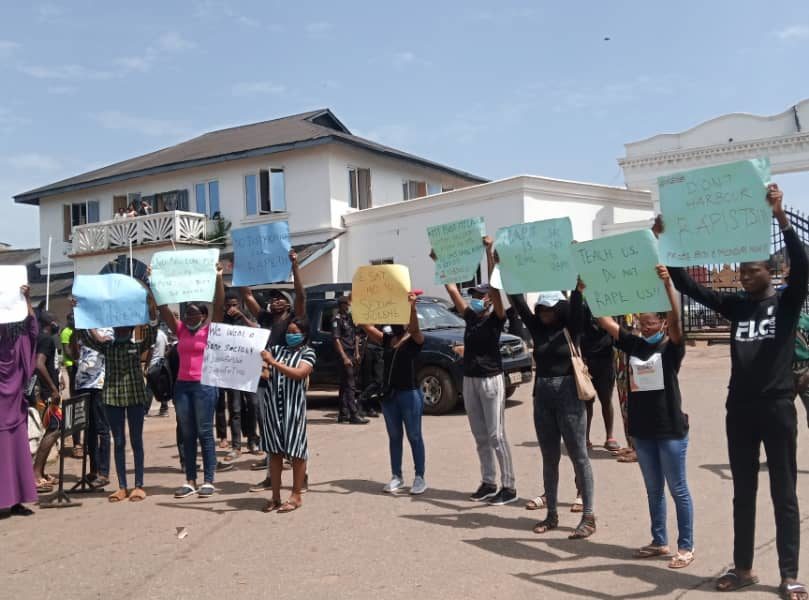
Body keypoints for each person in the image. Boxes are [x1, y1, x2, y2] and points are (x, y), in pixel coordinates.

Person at [662, 183, 808, 598]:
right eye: (741, 271)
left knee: (784, 494)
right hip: (739, 409)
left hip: (777, 407)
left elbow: (802, 264)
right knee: (743, 492)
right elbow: (687, 285)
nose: (744, 276)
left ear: (770, 272)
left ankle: (789, 575)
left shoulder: (787, 302)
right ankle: (743, 568)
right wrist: (668, 240)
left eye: (752, 271)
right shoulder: (737, 305)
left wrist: (780, 216)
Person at [593, 265, 694, 569]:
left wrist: (667, 286)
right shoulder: (634, 344)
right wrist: (590, 288)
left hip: (670, 429)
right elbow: (604, 321)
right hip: (643, 431)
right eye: (642, 323)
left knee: (678, 489)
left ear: (661, 323)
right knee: (653, 490)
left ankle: (686, 547)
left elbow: (676, 321)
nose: (645, 328)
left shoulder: (671, 347)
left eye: (651, 323)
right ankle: (659, 541)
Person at [431, 235, 516, 505]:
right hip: (470, 380)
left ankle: (509, 486)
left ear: (490, 299)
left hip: (491, 380)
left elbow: (496, 288)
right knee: (480, 436)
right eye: (476, 295)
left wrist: (489, 252)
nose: (477, 298)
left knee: (496, 435)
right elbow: (452, 290)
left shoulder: (497, 319)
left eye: (482, 295)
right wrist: (440, 262)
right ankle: (488, 481)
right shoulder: (471, 318)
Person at [506, 285, 596, 540]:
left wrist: (577, 288)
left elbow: (577, 306)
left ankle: (588, 516)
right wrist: (505, 273)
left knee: (579, 456)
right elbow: (518, 302)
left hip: (569, 395)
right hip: (543, 397)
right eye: (542, 308)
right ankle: (552, 514)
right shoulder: (536, 327)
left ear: (560, 309)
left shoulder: (571, 327)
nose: (545, 313)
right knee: (549, 457)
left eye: (550, 309)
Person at [77, 300, 157, 502]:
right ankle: (122, 487)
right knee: (119, 441)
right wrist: (79, 309)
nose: (122, 331)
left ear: (130, 330)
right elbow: (85, 337)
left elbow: (153, 332)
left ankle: (138, 485)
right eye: (118, 328)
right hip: (112, 399)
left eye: (125, 328)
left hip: (135, 398)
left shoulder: (137, 347)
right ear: (114, 329)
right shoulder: (107, 347)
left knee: (136, 441)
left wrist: (151, 308)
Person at [157, 264, 225, 499]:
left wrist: (218, 278)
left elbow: (220, 305)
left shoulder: (211, 331)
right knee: (187, 433)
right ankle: (190, 479)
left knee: (205, 432)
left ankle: (208, 479)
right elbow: (163, 308)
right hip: (182, 387)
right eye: (187, 314)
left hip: (204, 386)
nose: (190, 317)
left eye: (194, 314)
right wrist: (155, 283)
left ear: (204, 316)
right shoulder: (181, 331)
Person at [241, 249, 305, 484]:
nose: (276, 301)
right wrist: (242, 268)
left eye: (280, 298)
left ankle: (301, 475)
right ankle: (271, 475)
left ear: (288, 302)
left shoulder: (294, 318)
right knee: (268, 426)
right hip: (266, 377)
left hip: (289, 378)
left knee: (291, 427)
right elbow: (247, 295)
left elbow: (300, 294)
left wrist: (295, 266)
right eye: (273, 298)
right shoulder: (265, 319)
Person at [361, 293, 427, 495]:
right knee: (394, 436)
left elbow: (415, 329)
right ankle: (396, 476)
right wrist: (359, 305)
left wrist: (412, 308)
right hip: (390, 395)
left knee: (414, 435)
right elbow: (366, 326)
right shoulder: (387, 339)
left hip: (410, 394)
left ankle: (420, 477)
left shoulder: (415, 339)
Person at [259, 318, 316, 513]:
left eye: (295, 332)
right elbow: (266, 373)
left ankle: (296, 495)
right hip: (273, 408)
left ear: (304, 334)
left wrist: (273, 363)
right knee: (274, 452)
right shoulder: (276, 350)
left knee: (297, 452)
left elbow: (300, 373)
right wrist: (259, 368)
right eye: (288, 332)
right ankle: (275, 496)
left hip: (294, 409)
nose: (290, 335)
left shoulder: (308, 353)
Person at [0, 285, 39, 519]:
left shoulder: (18, 341)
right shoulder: (19, 341)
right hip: (9, 410)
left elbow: (32, 329)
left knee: (16, 456)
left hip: (14, 408)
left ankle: (16, 502)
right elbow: (32, 329)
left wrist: (26, 299)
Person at [218, 292, 261, 466]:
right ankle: (236, 446)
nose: (231, 308)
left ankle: (252, 440)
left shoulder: (247, 317)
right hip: (232, 371)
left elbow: (258, 332)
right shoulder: (222, 322)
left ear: (240, 305)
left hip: (249, 370)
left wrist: (242, 316)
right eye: (228, 305)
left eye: (234, 305)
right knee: (235, 408)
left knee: (253, 405)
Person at [578, 297, 619, 452]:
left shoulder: (609, 305)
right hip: (586, 362)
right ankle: (585, 437)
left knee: (606, 399)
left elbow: (616, 332)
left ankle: (610, 437)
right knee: (587, 401)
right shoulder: (582, 306)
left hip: (606, 361)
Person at [74, 327, 113, 489]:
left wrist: (90, 327)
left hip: (99, 384)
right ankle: (94, 470)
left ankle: (104, 473)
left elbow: (101, 342)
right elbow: (75, 353)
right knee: (89, 430)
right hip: (82, 384)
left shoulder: (108, 330)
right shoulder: (83, 330)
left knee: (102, 429)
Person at [31, 311, 62, 492]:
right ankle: (36, 474)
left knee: (53, 428)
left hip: (46, 391)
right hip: (46, 393)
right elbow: (39, 364)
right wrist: (53, 388)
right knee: (54, 428)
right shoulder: (46, 339)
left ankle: (40, 472)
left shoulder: (41, 338)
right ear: (51, 323)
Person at [332, 294, 369, 424]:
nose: (348, 306)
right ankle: (354, 414)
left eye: (348, 304)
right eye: (346, 304)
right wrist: (344, 357)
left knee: (344, 385)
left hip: (352, 353)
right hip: (344, 354)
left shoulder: (349, 318)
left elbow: (355, 335)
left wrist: (357, 352)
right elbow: (336, 339)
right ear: (341, 305)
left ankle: (343, 414)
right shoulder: (337, 319)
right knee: (350, 384)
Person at [60, 313, 82, 458]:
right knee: (76, 403)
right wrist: (76, 361)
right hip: (72, 367)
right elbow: (67, 350)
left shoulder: (82, 330)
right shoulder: (66, 332)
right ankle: (77, 443)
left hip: (82, 368)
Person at [145, 326, 170, 417]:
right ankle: (164, 409)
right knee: (162, 387)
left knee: (149, 388)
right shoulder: (163, 334)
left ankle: (144, 410)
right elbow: (167, 348)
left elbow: (151, 351)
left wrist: (146, 366)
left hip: (153, 365)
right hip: (161, 365)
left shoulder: (153, 336)